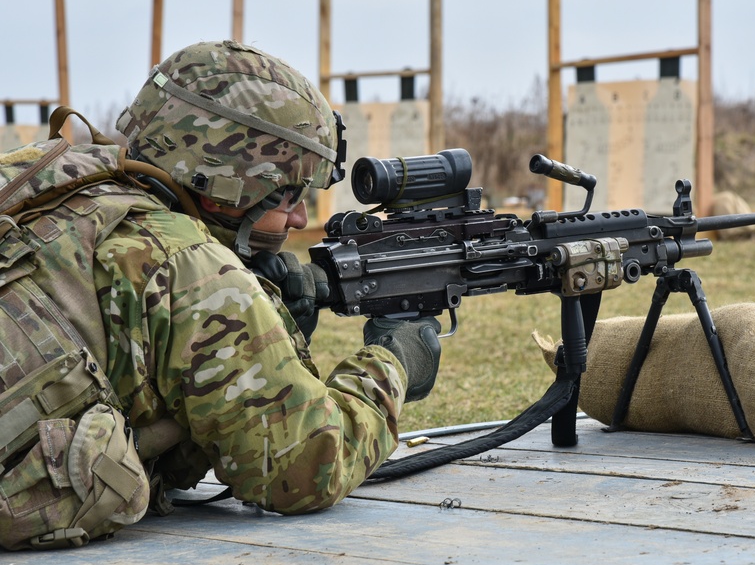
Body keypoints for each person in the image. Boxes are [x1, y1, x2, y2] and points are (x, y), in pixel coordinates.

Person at [6, 39, 442, 522]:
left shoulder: (61, 187)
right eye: (288, 196)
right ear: (227, 188)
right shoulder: (191, 267)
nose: (299, 218)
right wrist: (394, 362)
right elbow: (304, 469)